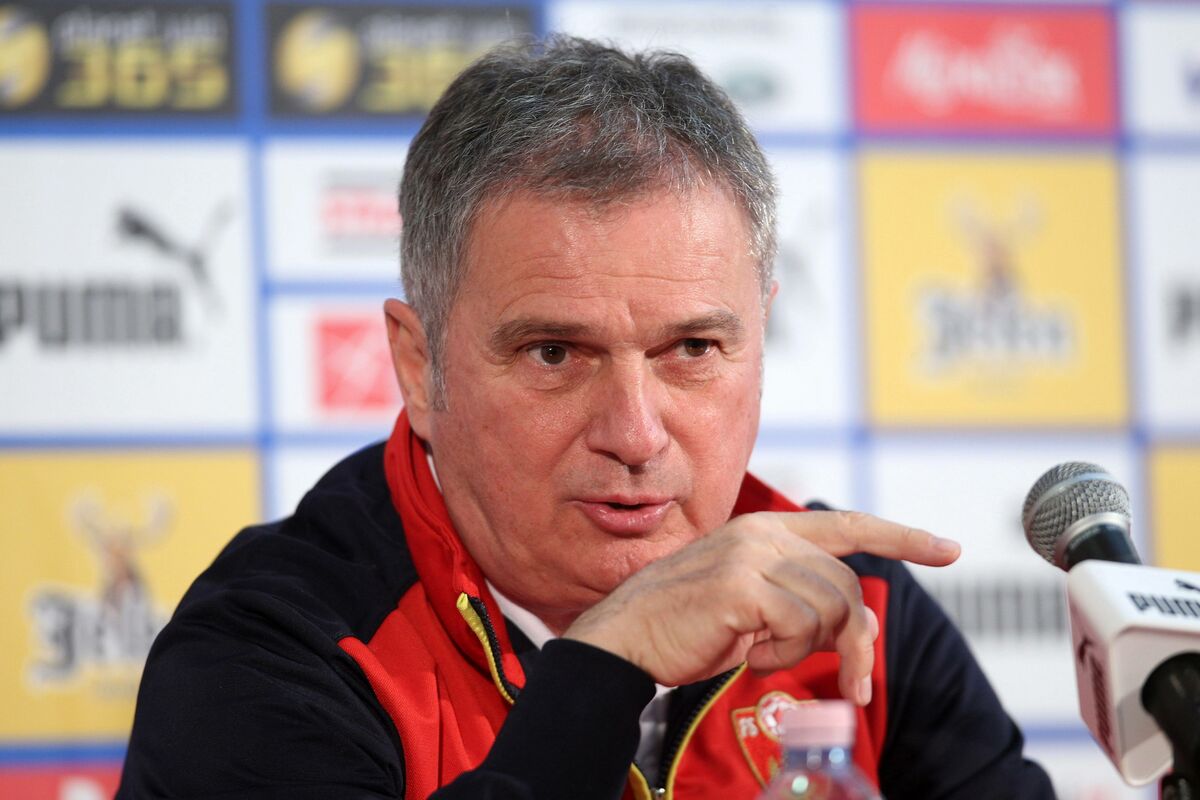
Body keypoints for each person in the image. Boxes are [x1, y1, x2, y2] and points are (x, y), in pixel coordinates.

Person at [118, 37, 1055, 799]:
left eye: (693, 349)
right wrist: (607, 665)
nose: (636, 435)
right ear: (419, 365)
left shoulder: (854, 612)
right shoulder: (272, 648)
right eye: (554, 355)